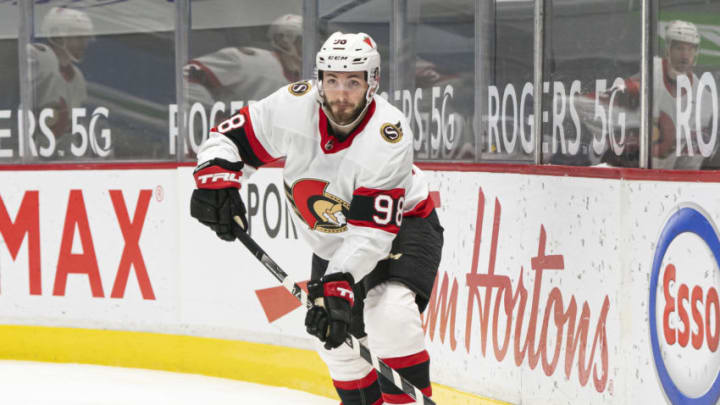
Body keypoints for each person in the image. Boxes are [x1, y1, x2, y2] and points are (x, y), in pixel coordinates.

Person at [190, 32, 443, 404]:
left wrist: (337, 284)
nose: (341, 94)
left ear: (373, 83)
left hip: (403, 227)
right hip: (334, 240)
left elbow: (371, 234)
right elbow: (229, 139)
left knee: (389, 314)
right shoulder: (294, 106)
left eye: (353, 82)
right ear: (319, 79)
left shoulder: (388, 135)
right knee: (337, 343)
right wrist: (217, 178)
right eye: (332, 80)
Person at [183, 14, 303, 126]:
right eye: (302, 41)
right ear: (283, 41)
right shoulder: (248, 61)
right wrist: (212, 113)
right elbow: (187, 73)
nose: (314, 47)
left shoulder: (307, 80)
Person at [29, 6, 102, 158]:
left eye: (85, 37)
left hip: (57, 152)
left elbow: (69, 126)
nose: (84, 43)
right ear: (56, 36)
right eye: (78, 36)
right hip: (33, 151)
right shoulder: (39, 59)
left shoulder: (78, 77)